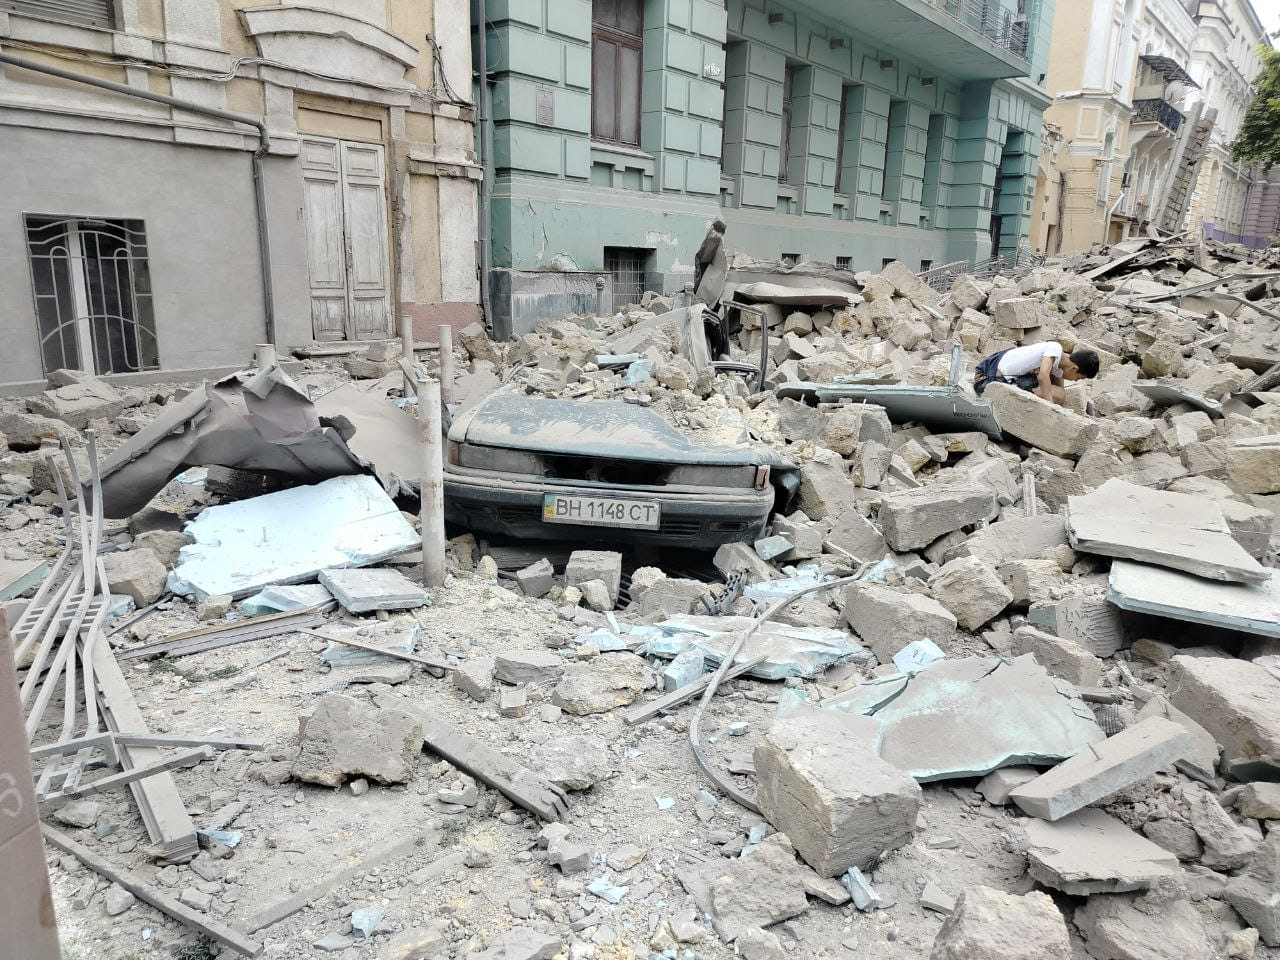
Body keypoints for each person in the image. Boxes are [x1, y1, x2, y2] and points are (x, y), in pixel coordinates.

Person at [974, 341, 1100, 406]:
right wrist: (1050, 407)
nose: (1075, 381)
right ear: (1074, 368)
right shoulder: (1055, 349)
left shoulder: (1057, 362)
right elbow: (1043, 376)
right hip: (989, 379)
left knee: (1059, 393)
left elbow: (1059, 386)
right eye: (1078, 378)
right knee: (1059, 395)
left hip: (990, 368)